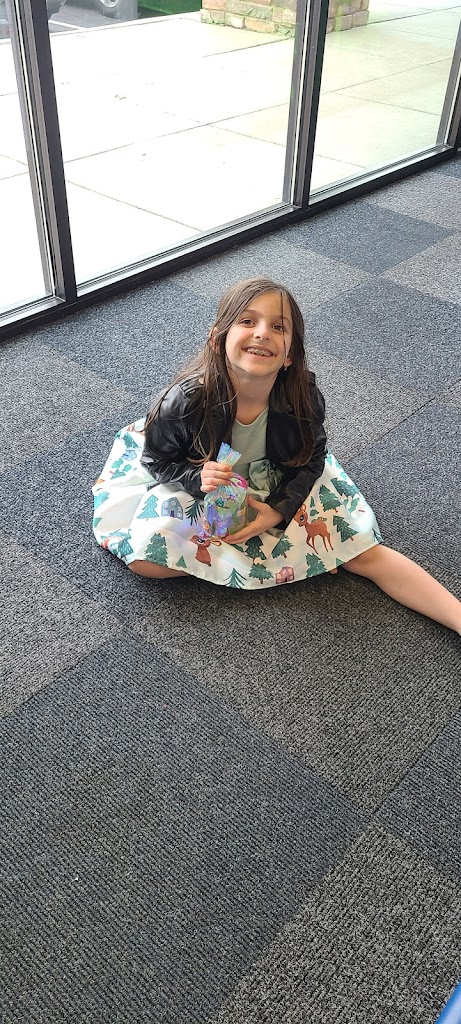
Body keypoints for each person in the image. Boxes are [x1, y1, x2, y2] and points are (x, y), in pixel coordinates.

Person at [92, 277, 461, 634]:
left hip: (282, 476)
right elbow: (156, 461)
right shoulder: (184, 402)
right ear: (218, 340)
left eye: (278, 327)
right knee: (145, 560)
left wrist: (279, 510)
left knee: (364, 553)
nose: (262, 333)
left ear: (289, 356)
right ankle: (301, 559)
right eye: (247, 321)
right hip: (202, 479)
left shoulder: (302, 398)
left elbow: (313, 459)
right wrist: (196, 478)